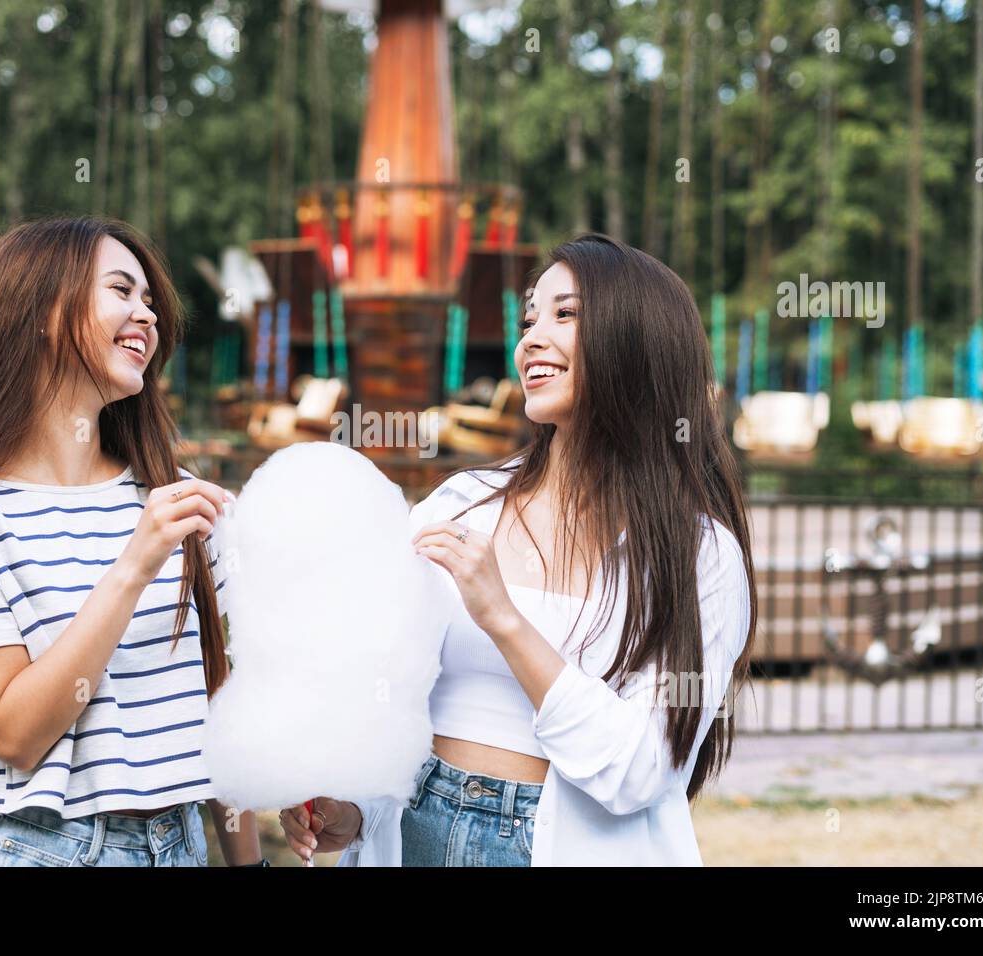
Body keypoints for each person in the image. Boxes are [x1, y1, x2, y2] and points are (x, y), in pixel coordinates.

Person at [279, 233, 756, 866]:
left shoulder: (698, 554)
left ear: (638, 342)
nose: (530, 337)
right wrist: (356, 809)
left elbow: (640, 770)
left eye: (566, 314)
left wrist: (503, 617)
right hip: (420, 829)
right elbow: (392, 694)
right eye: (530, 316)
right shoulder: (461, 503)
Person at [0, 216, 265, 866]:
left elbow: (214, 696)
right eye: (122, 292)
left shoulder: (173, 497)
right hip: (36, 845)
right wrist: (134, 565)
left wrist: (251, 863)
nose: (146, 316)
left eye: (151, 303)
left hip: (177, 843)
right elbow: (16, 732)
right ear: (44, 314)